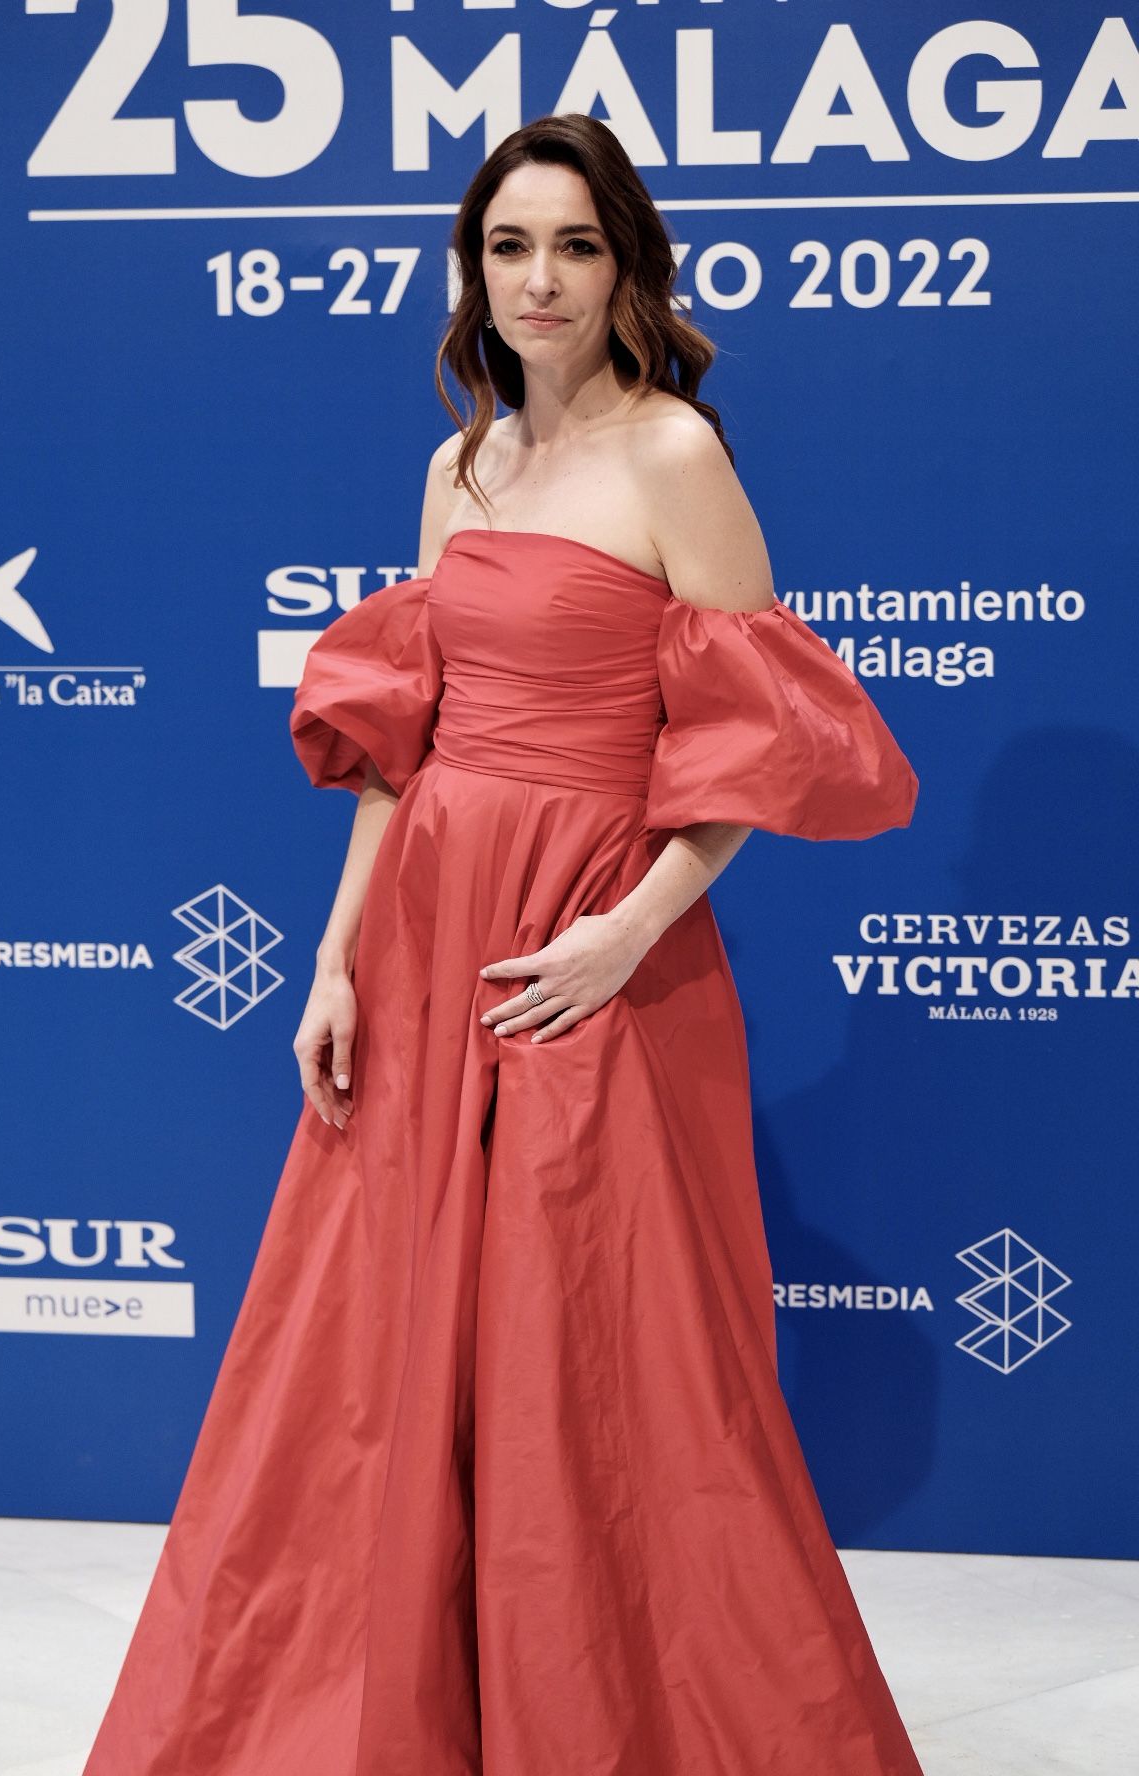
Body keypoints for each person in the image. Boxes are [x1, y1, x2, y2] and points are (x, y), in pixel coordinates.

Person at [84, 115, 923, 1775]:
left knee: (604, 1346)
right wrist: (335, 961)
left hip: (598, 937)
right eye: (510, 246)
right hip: (430, 935)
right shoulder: (457, 470)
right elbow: (406, 747)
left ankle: (606, 1716)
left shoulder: (676, 454)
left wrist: (627, 934)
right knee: (392, 1333)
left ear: (629, 271)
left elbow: (758, 750)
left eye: (576, 247)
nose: (539, 280)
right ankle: (412, 1702)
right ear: (474, 270)